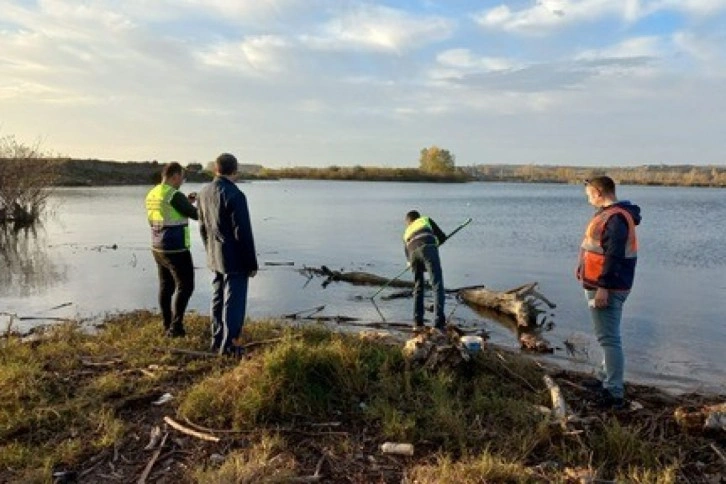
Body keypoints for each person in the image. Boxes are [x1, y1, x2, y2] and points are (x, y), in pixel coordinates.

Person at [576, 176, 641, 409]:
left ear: (599, 192)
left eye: (589, 195)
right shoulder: (614, 214)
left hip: (607, 287)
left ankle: (614, 392)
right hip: (601, 284)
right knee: (607, 336)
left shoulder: (615, 218)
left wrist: (603, 287)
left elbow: (613, 256)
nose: (588, 199)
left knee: (609, 339)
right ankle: (605, 380)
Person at [197, 153, 258, 356]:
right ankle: (230, 345)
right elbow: (243, 232)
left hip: (215, 254)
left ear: (216, 169)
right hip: (235, 258)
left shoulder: (204, 192)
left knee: (217, 297)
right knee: (234, 301)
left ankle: (216, 341)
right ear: (235, 171)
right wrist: (251, 263)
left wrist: (209, 251)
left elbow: (202, 227)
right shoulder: (235, 195)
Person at [145, 162, 198, 337]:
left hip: (157, 246)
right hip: (176, 248)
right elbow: (197, 215)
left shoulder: (152, 193)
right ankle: (176, 328)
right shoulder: (174, 194)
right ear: (175, 176)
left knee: (166, 287)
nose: (182, 181)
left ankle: (167, 324)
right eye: (182, 177)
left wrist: (186, 202)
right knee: (186, 286)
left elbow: (166, 212)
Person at [403, 210, 447, 331]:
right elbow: (442, 237)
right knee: (437, 285)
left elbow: (408, 259)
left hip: (412, 254)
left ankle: (417, 322)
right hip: (428, 248)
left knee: (418, 286)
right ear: (418, 217)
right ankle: (438, 323)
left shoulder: (406, 232)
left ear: (408, 222)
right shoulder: (425, 220)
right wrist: (435, 244)